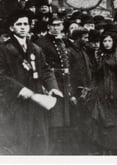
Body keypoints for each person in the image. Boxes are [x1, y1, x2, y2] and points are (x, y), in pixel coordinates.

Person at [0, 10, 61, 155]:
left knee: (40, 142)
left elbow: (46, 70)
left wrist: (52, 87)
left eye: (26, 24)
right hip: (15, 103)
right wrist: (20, 89)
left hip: (37, 101)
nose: (23, 27)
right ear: (11, 28)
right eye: (19, 24)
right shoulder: (1, 50)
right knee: (20, 143)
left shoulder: (36, 48)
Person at [36, 14, 74, 154]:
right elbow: (43, 67)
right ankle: (52, 151)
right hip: (52, 83)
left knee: (64, 117)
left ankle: (63, 150)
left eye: (58, 25)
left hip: (64, 81)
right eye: (53, 25)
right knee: (54, 117)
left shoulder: (62, 41)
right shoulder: (41, 42)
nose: (56, 28)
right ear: (48, 27)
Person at [90, 31, 117, 154]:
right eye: (105, 41)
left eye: (109, 41)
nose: (107, 44)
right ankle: (106, 146)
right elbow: (94, 71)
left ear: (113, 42)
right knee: (105, 118)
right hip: (103, 90)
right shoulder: (98, 54)